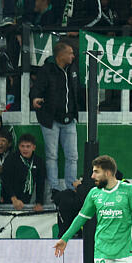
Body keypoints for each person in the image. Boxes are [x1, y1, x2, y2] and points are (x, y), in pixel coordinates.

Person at [31, 42, 80, 193]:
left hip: (69, 119)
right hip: (50, 119)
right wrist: (35, 98)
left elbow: (77, 91)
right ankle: (54, 189)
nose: (73, 56)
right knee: (52, 156)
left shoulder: (72, 69)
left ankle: (71, 187)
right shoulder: (47, 70)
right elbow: (37, 88)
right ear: (61, 55)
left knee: (72, 156)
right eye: (70, 53)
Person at [1, 134, 46, 211]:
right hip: (9, 200)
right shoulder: (11, 159)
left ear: (33, 147)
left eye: (28, 146)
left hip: (26, 200)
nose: (25, 149)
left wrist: (39, 203)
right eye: (22, 146)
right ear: (19, 147)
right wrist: (14, 199)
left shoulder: (39, 162)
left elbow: (40, 183)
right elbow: (5, 181)